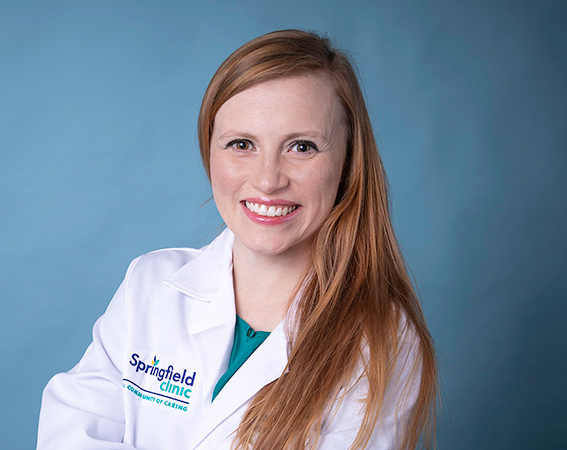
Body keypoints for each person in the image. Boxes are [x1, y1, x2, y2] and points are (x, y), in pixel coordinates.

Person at [36, 29, 437, 450]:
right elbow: (70, 430)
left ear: (348, 163)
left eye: (301, 147)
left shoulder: (381, 341)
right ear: (210, 151)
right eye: (242, 144)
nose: (268, 180)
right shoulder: (150, 286)